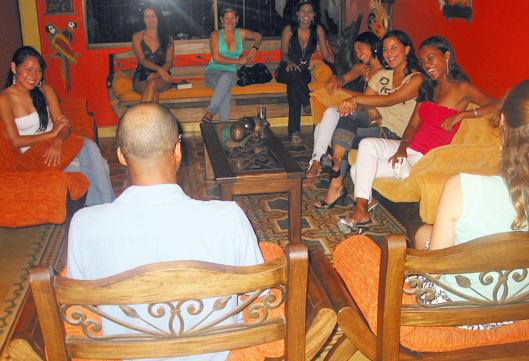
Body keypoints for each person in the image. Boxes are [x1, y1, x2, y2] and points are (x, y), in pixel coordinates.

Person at [67, 103, 264, 361]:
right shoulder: (230, 217)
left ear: (121, 156)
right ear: (178, 151)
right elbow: (263, 296)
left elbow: (79, 308)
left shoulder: (84, 226)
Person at [338, 35, 498, 233]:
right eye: (423, 61)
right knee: (366, 146)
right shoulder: (428, 88)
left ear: (446, 55)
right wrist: (402, 148)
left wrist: (465, 114)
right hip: (410, 148)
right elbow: (413, 126)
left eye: (431, 58)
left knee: (357, 172)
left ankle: (362, 208)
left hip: (425, 159)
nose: (427, 65)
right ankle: (363, 208)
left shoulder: (461, 88)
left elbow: (499, 105)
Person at [314, 30, 422, 209]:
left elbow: (390, 99)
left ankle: (336, 186)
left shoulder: (416, 78)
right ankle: (337, 162)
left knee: (345, 132)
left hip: (394, 135)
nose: (389, 53)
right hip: (376, 124)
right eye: (386, 49)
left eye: (394, 48)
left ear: (407, 49)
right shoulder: (381, 76)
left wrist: (355, 99)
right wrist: (350, 103)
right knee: (348, 117)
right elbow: (365, 104)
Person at [0, 46, 114, 206]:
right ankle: (106, 208)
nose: (33, 76)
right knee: (102, 166)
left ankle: (101, 210)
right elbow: (15, 141)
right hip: (35, 155)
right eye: (28, 69)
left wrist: (58, 140)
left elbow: (64, 125)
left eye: (38, 70)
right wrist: (52, 134)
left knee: (89, 147)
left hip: (56, 146)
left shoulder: (46, 90)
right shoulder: (5, 99)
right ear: (14, 68)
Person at [306, 31, 385, 180]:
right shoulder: (363, 69)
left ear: (372, 46)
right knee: (320, 126)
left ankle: (315, 163)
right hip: (360, 110)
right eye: (356, 51)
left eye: (361, 48)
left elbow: (370, 98)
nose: (358, 53)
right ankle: (316, 161)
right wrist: (333, 78)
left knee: (330, 113)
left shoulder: (386, 71)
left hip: (375, 116)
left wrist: (345, 93)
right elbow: (343, 79)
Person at [276, 0, 334, 143]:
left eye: (310, 12)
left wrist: (342, 62)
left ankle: (295, 131)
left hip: (302, 73)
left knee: (293, 87)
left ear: (314, 14)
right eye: (303, 11)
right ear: (297, 14)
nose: (306, 14)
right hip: (285, 70)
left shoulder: (317, 30)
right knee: (293, 74)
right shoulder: (289, 29)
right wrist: (290, 62)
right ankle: (308, 102)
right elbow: (283, 54)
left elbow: (326, 55)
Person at [201, 7, 262, 123]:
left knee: (227, 77)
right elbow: (217, 58)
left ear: (237, 19)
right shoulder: (215, 35)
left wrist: (254, 48)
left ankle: (210, 113)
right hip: (213, 72)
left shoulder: (242, 33)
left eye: (233, 18)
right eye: (227, 18)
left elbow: (258, 36)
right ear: (221, 20)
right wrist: (239, 61)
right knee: (226, 91)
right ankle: (222, 124)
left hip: (232, 74)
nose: (230, 22)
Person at [132, 2, 174, 103]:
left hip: (162, 78)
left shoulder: (168, 38)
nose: (151, 20)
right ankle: (148, 119)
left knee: (153, 83)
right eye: (147, 17)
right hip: (142, 77)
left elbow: (169, 62)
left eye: (153, 16)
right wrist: (159, 69)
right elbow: (142, 60)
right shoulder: (137, 37)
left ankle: (140, 118)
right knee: (154, 94)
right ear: (143, 19)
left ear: (158, 17)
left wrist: (158, 73)